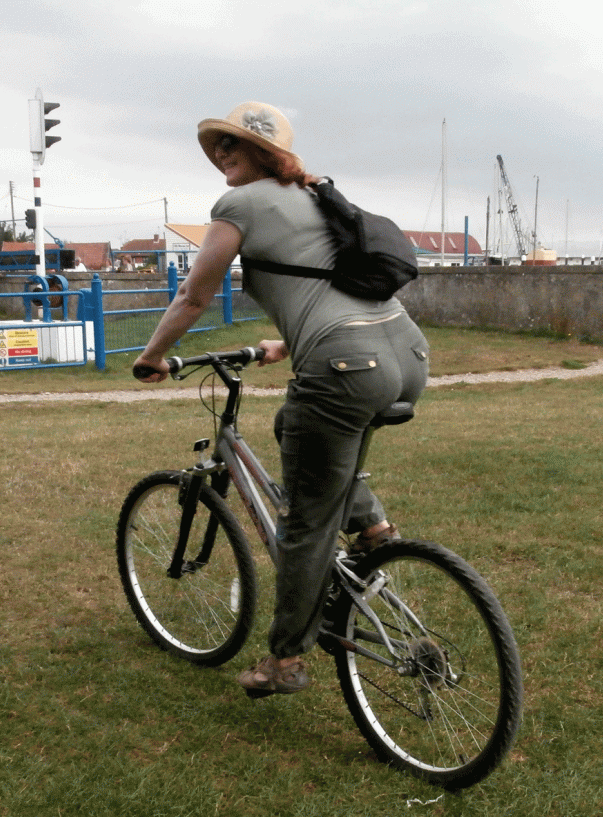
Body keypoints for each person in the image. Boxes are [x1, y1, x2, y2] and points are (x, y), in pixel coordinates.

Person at [132, 102, 430, 696]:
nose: (222, 155)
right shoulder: (316, 197)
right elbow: (329, 289)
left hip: (347, 363)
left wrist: (153, 356)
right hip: (407, 353)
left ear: (263, 155)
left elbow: (194, 293)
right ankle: (373, 529)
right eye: (218, 145)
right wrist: (286, 343)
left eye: (233, 146)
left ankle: (285, 661)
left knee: (306, 523)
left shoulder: (239, 205)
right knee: (297, 425)